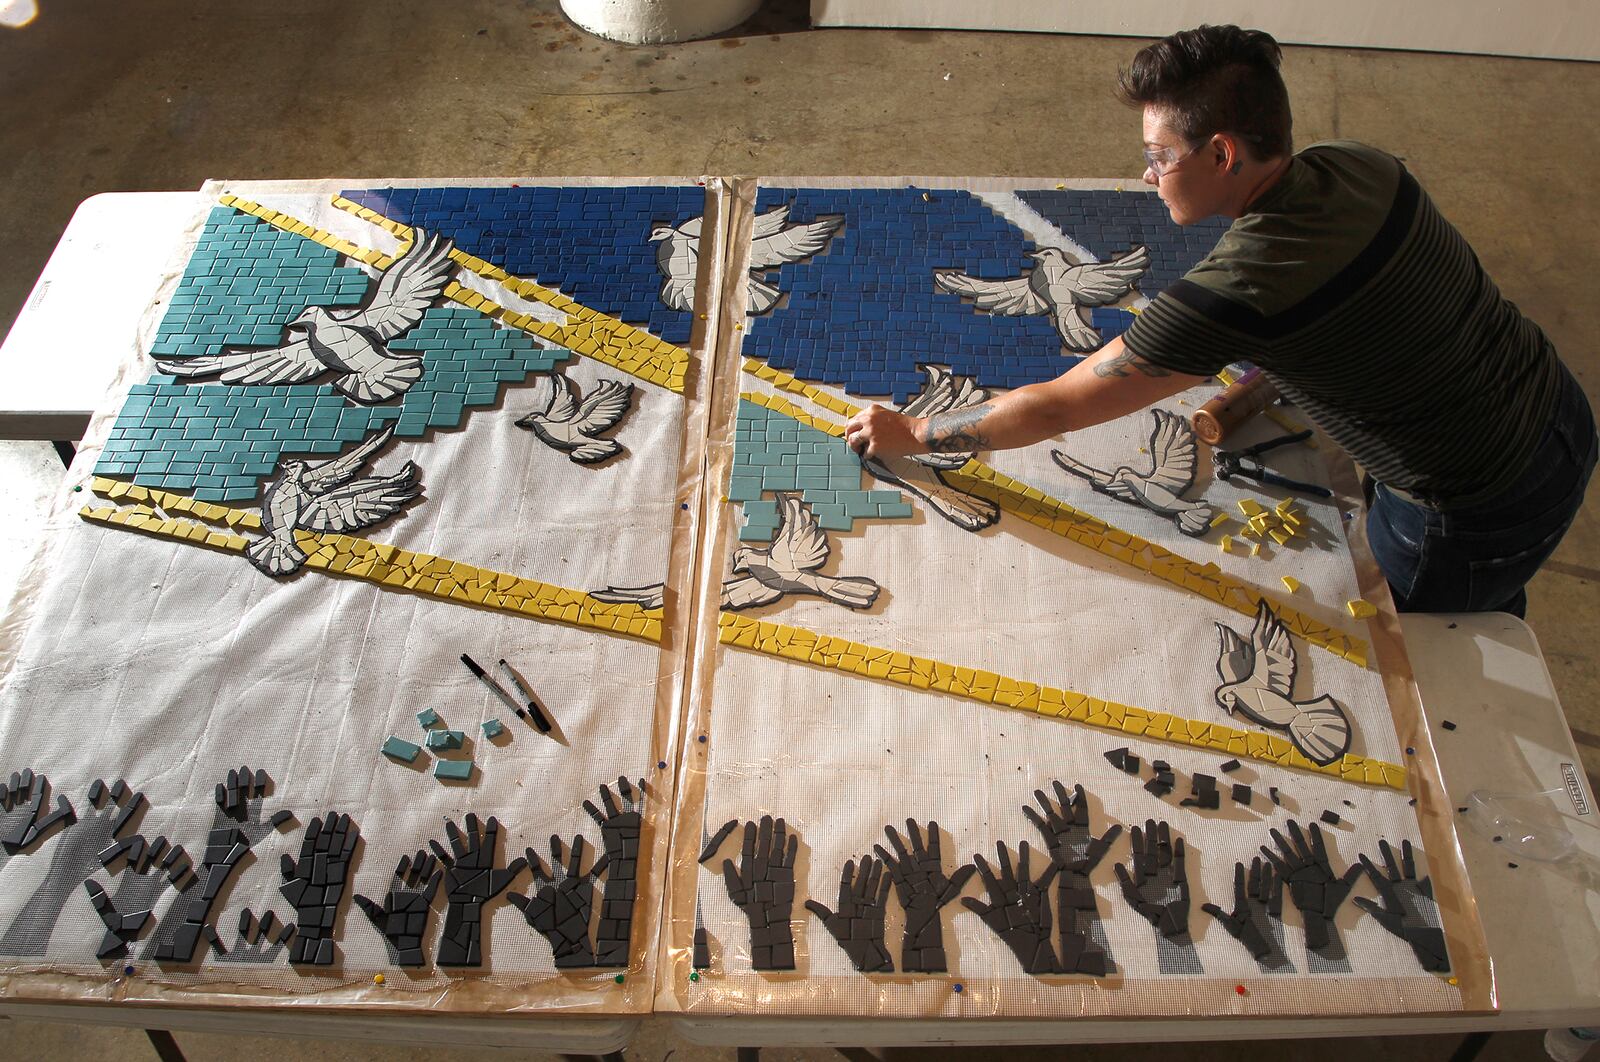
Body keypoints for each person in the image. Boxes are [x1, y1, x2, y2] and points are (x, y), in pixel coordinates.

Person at [844, 24, 1595, 619]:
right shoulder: (1364, 165)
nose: (1147, 175)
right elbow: (1388, 301)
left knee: (1438, 649)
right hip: (1558, 409)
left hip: (1469, 504)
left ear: (1223, 153)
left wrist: (913, 434)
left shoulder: (1237, 291)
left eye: (1159, 156)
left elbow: (1058, 406)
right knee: (1490, 600)